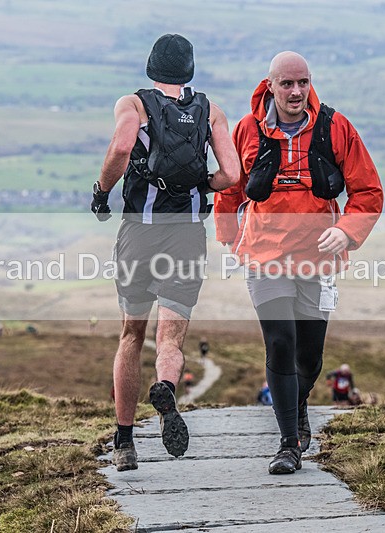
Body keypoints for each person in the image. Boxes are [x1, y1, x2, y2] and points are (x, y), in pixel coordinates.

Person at [214, 52, 383, 474]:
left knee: (310, 358)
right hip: (264, 256)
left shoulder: (334, 127)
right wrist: (232, 238)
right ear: (269, 85)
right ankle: (288, 443)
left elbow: (368, 191)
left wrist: (345, 231)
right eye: (287, 84)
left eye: (303, 83)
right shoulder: (247, 131)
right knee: (280, 342)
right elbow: (229, 191)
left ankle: (300, 402)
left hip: (317, 260)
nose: (296, 92)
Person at [91, 34, 240, 472]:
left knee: (131, 336)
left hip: (140, 233)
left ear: (152, 66)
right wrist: (201, 185)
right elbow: (231, 173)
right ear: (189, 70)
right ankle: (167, 388)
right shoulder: (210, 110)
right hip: (188, 233)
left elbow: (121, 147)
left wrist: (102, 193)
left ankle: (124, 442)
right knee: (171, 337)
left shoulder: (134, 105)